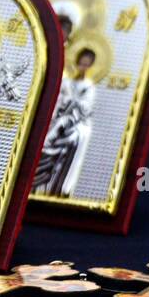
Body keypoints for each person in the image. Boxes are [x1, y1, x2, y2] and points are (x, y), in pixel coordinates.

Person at [34, 47, 97, 197]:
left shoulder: (89, 87)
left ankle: (59, 186)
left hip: (76, 124)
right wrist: (67, 102)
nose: (83, 67)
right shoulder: (67, 82)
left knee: (71, 132)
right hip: (61, 119)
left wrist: (73, 105)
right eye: (81, 63)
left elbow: (86, 107)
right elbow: (59, 101)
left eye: (87, 64)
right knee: (54, 128)